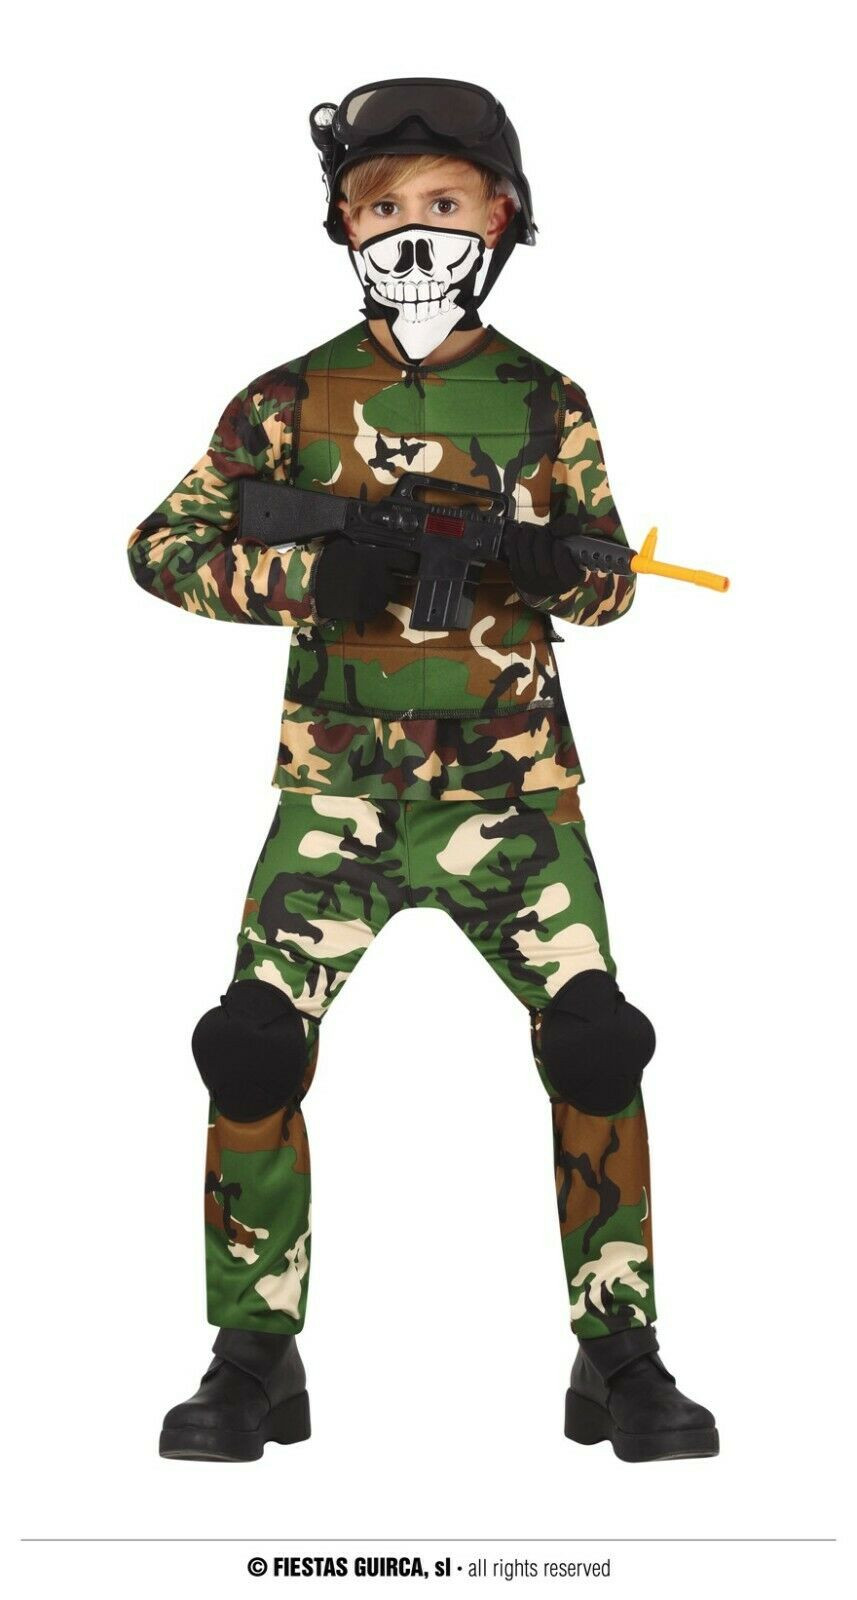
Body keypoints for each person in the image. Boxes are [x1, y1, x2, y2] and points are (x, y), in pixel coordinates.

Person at [128, 78, 718, 1464]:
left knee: (596, 1045)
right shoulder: (287, 400)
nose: (412, 230)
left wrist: (561, 571)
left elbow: (611, 588)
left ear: (498, 218)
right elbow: (161, 548)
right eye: (381, 205)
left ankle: (619, 1351)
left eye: (443, 202)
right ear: (343, 225)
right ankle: (252, 1353)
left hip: (515, 797)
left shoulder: (544, 401)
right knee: (251, 1050)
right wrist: (303, 577)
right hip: (337, 793)